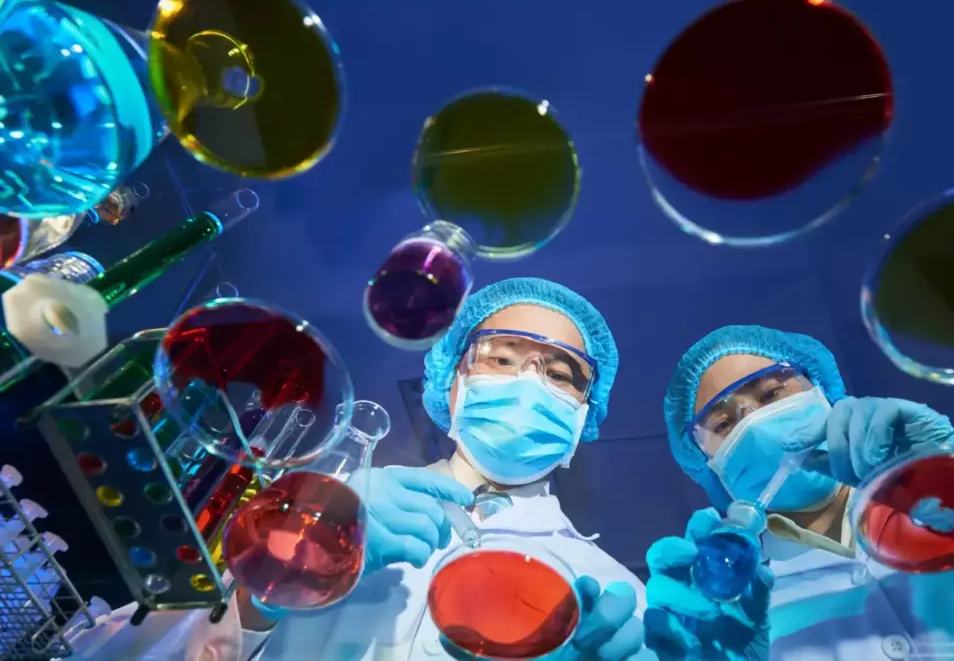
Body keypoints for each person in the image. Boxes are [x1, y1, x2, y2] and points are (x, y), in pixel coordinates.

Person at [64, 278, 647, 661]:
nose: (529, 382)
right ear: (451, 382)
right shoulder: (318, 511)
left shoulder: (613, 598)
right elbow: (101, 652)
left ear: (585, 415)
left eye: (562, 374)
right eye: (501, 357)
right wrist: (260, 595)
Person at [642, 325, 954, 661]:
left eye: (772, 393)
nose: (754, 422)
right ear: (706, 465)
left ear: (823, 391)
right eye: (723, 423)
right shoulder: (735, 603)